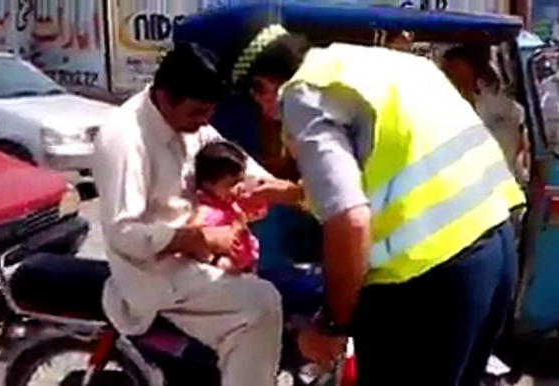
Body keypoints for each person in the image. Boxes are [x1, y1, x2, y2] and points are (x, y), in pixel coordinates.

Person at [218, 23, 525, 385]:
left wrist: (332, 324)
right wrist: (287, 192)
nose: (270, 114)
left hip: (430, 280)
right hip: (494, 250)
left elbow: (351, 219)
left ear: (262, 87)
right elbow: (389, 177)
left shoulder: (304, 94)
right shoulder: (384, 64)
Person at [92, 41, 303, 386]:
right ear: (163, 96)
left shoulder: (194, 124)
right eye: (197, 113)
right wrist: (197, 238)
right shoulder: (124, 138)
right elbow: (123, 233)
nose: (204, 122)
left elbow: (234, 163)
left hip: (202, 258)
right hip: (156, 273)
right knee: (262, 305)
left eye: (209, 113)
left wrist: (285, 192)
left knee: (292, 282)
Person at [441, 44, 529, 184]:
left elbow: (517, 137)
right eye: (446, 71)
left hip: (499, 181)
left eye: (454, 69)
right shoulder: (439, 105)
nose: (449, 75)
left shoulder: (498, 105)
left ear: (471, 70)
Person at [190, 140, 267, 273]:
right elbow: (192, 235)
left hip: (245, 265)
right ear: (208, 184)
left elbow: (257, 213)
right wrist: (213, 259)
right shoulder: (205, 210)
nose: (239, 187)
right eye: (231, 184)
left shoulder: (232, 204)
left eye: (241, 180)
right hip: (220, 267)